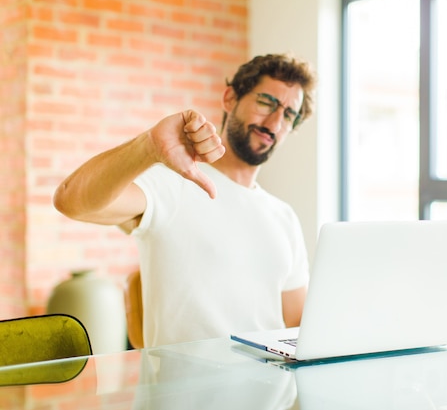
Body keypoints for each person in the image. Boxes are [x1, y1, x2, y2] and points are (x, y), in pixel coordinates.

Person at [53, 54, 316, 347]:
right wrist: (148, 146)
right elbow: (71, 200)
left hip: (271, 388)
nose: (275, 122)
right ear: (230, 98)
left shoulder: (284, 216)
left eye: (289, 114)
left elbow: (297, 324)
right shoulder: (173, 182)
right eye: (266, 102)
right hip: (186, 390)